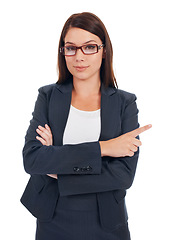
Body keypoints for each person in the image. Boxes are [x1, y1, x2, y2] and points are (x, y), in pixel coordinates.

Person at [20, 12, 152, 240]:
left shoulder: (125, 103)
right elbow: (32, 159)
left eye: (89, 47)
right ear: (63, 52)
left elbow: (123, 176)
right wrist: (105, 148)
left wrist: (58, 168)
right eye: (71, 48)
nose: (79, 56)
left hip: (107, 221)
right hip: (53, 217)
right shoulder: (48, 96)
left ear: (104, 51)